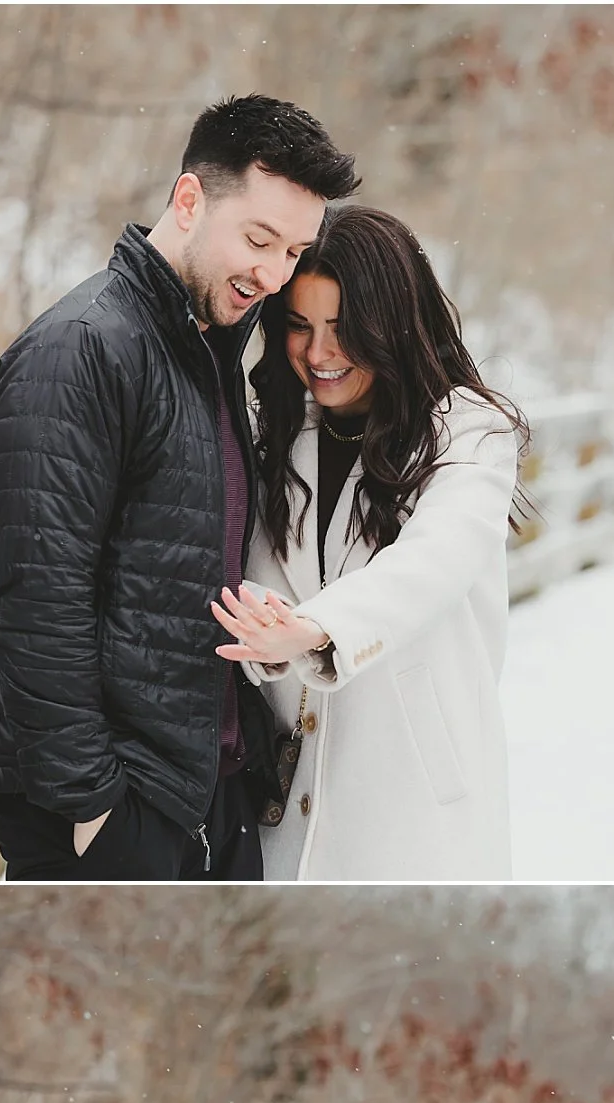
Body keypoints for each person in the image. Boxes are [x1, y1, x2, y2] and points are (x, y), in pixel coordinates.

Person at [0, 96, 360, 880]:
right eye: (258, 239)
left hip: (204, 792)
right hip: (117, 812)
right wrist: (94, 811)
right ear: (188, 200)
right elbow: (33, 601)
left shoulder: (205, 350)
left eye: (292, 252)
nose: (273, 275)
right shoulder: (82, 352)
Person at [215, 204, 530, 879]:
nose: (320, 354)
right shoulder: (276, 431)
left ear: (390, 327)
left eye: (344, 330)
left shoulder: (470, 435)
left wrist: (315, 628)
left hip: (417, 810)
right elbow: (258, 570)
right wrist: (269, 632)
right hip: (286, 809)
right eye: (301, 326)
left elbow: (431, 563)